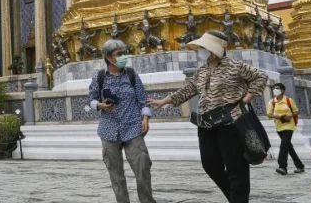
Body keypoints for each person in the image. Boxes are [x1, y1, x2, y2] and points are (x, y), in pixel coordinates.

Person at [148, 31, 267, 203]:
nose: (201, 51)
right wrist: (164, 101)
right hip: (206, 123)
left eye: (204, 47)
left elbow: (260, 77)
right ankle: (236, 198)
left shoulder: (235, 66)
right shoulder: (202, 71)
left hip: (231, 122)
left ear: (214, 49)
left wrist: (247, 97)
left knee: (236, 168)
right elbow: (188, 90)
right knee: (210, 165)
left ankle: (238, 199)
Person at [89, 39, 155, 203]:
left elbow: (143, 100)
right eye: (119, 54)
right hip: (109, 130)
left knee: (142, 168)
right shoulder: (99, 77)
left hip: (133, 128)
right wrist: (100, 105)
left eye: (124, 53)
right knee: (116, 176)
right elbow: (90, 101)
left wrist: (145, 118)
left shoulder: (132, 75)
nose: (123, 57)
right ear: (108, 57)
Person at [267, 83, 304, 175]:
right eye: (274, 88)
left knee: (283, 146)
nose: (275, 90)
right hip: (279, 127)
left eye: (278, 88)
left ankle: (282, 167)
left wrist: (289, 116)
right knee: (289, 147)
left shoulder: (288, 100)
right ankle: (300, 166)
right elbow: (269, 114)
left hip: (289, 126)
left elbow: (296, 111)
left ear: (283, 90)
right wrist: (279, 117)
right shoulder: (272, 102)